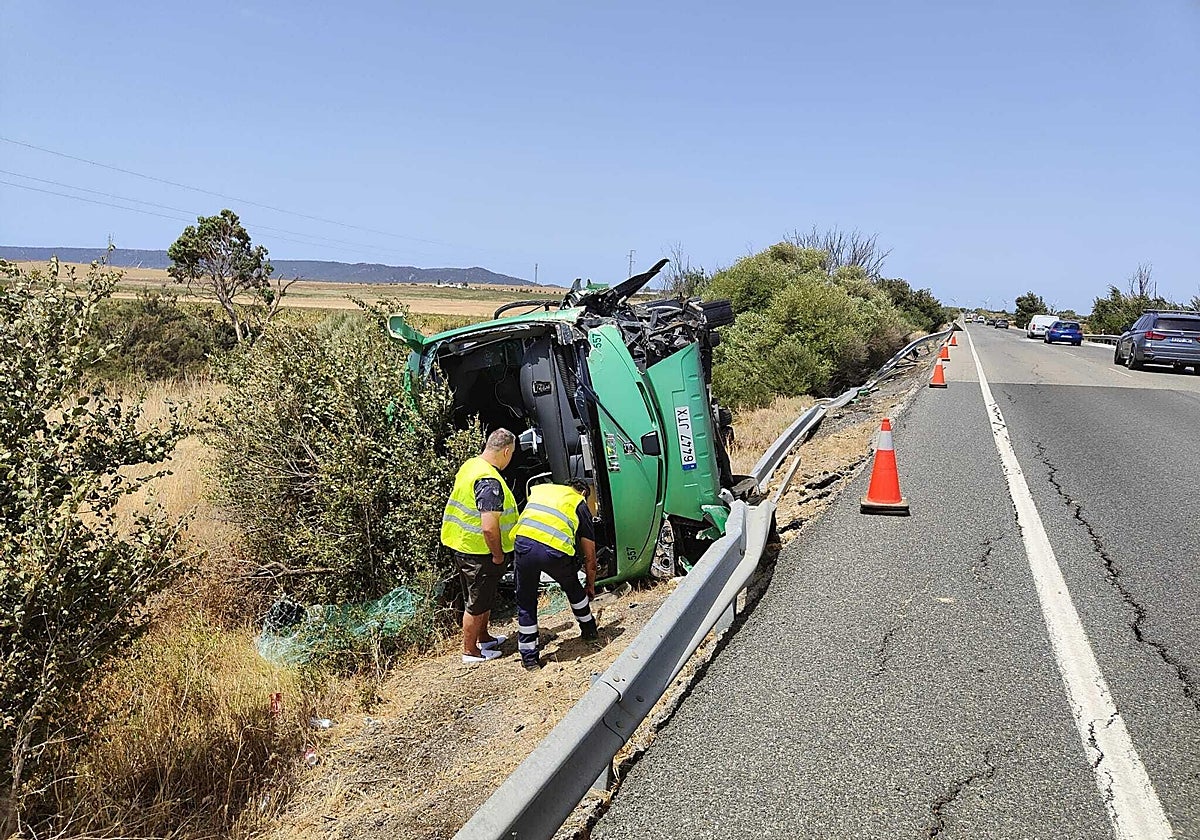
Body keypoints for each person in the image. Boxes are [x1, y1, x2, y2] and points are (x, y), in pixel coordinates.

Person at [442, 429, 518, 663]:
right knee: (476, 603)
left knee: (483, 597)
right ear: (506, 451)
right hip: (480, 551)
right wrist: (498, 554)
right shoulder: (489, 481)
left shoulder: (472, 465)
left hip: (464, 544)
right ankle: (470, 651)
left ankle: (484, 638)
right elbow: (488, 527)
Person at [512, 479, 599, 670]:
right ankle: (590, 631)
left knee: (526, 601)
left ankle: (529, 659)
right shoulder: (578, 502)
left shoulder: (541, 491)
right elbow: (590, 556)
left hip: (524, 546)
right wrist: (590, 585)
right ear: (583, 493)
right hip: (554, 551)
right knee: (574, 590)